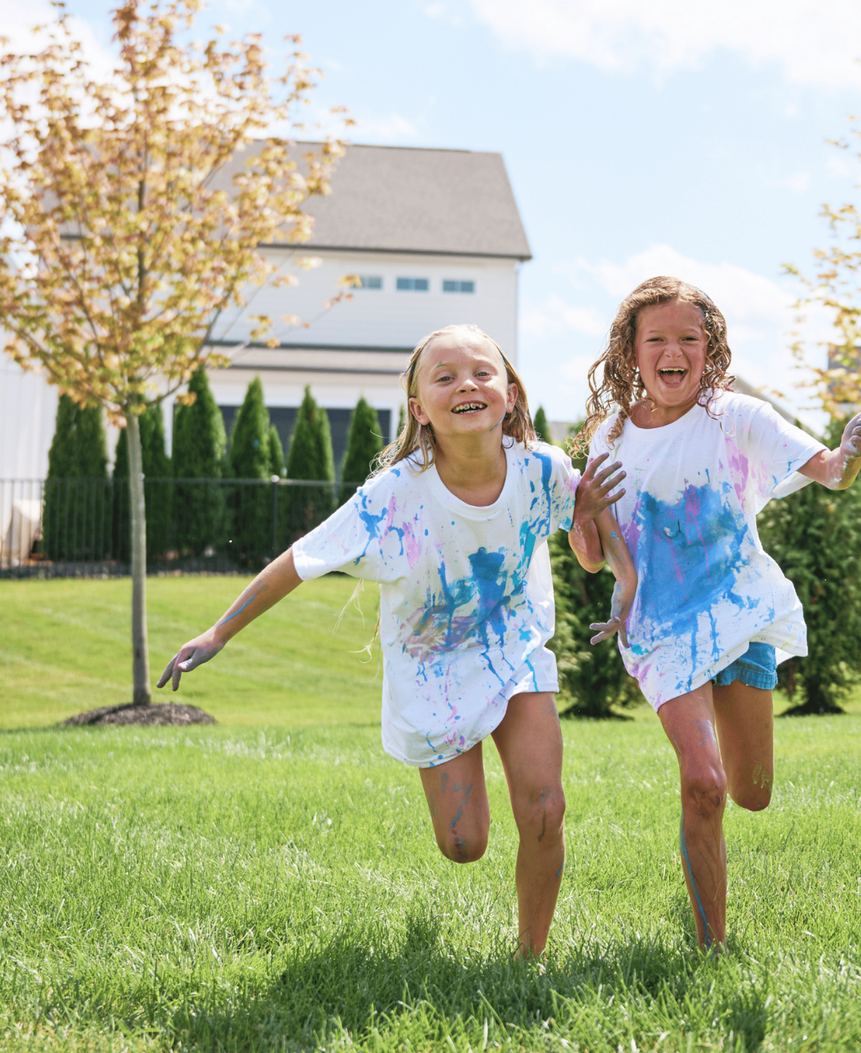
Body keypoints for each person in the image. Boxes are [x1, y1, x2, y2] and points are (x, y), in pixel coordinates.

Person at [158, 324, 636, 957]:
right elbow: (299, 560)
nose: (466, 384)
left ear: (511, 393)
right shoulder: (392, 496)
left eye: (482, 372)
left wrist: (595, 531)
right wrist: (220, 630)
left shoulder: (543, 467)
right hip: (431, 670)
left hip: (514, 653)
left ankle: (530, 958)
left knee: (546, 807)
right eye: (445, 377)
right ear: (419, 409)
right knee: (464, 845)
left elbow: (591, 555)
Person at [572, 276, 861, 951]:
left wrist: (852, 452)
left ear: (709, 348)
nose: (673, 352)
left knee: (752, 791)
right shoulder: (611, 436)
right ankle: (710, 948)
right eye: (656, 339)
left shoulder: (736, 416)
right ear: (630, 351)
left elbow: (830, 470)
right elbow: (593, 558)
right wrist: (581, 515)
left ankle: (723, 730)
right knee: (704, 784)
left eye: (689, 338)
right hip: (659, 630)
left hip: (739, 614)